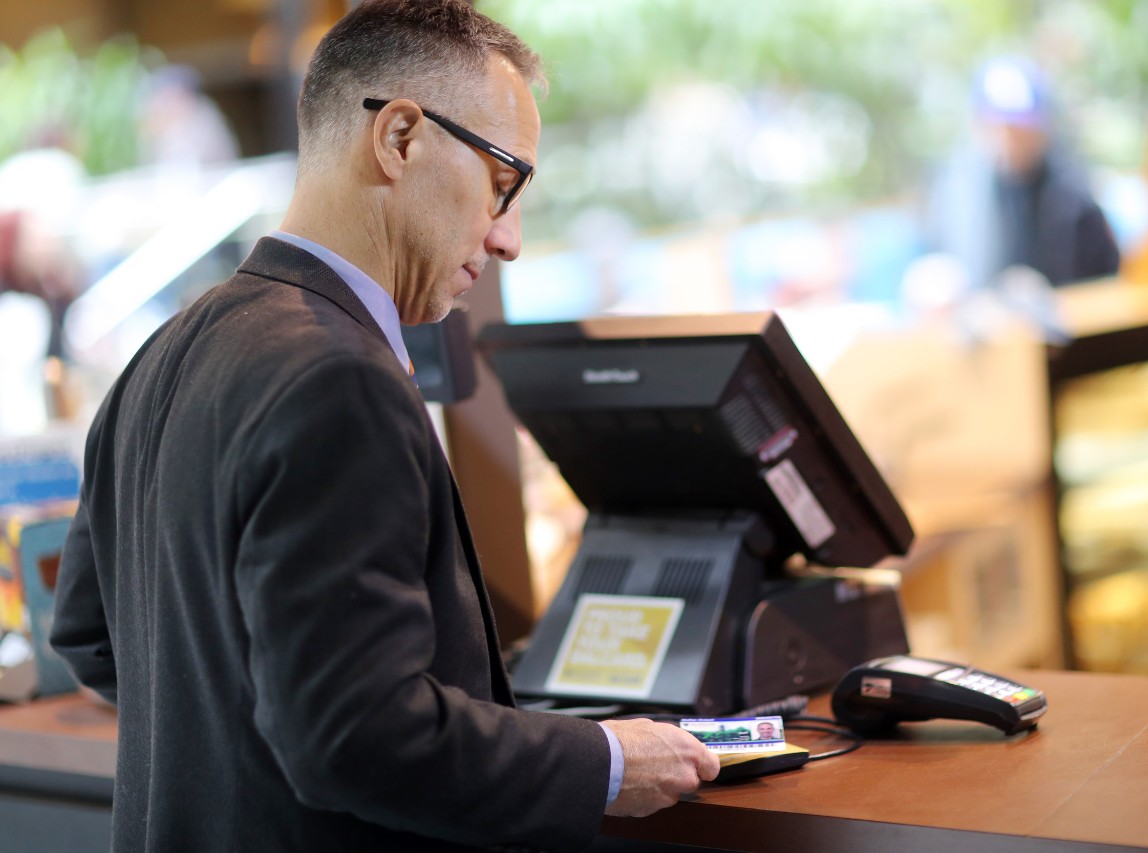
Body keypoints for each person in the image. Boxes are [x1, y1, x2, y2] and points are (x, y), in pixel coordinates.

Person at [49, 2, 718, 851]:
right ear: (400, 137)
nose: (508, 237)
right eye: (504, 183)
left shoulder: (164, 351)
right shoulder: (340, 379)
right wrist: (607, 760)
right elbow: (353, 735)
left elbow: (88, 634)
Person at [924, 57, 1120, 291]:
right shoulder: (958, 195)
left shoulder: (1072, 196)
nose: (1009, 141)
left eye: (1021, 129)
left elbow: (1104, 274)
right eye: (999, 127)